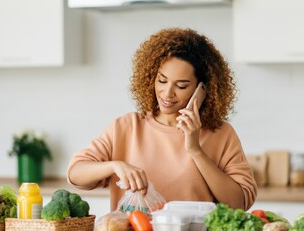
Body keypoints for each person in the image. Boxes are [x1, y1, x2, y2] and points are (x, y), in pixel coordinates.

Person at [67, 27, 257, 211]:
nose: (167, 93)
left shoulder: (221, 134)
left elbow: (239, 202)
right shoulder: (126, 127)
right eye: (162, 81)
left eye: (181, 86)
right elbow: (75, 174)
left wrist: (195, 150)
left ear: (203, 89)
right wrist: (115, 166)